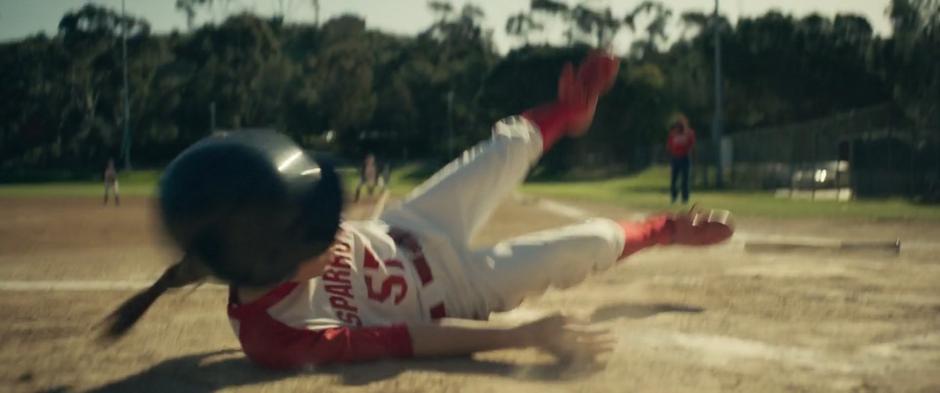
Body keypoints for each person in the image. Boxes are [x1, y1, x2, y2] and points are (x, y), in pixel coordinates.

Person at [102, 52, 733, 369]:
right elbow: (410, 338)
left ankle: (570, 114)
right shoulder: (276, 336)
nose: (332, 220)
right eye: (315, 225)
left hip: (414, 224)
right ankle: (663, 229)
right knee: (589, 242)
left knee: (506, 145)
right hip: (456, 293)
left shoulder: (259, 241)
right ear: (268, 254)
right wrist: (524, 333)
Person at [666, 115, 695, 204]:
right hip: (675, 158)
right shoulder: (673, 134)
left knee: (685, 179)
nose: (679, 127)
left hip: (685, 158)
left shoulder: (689, 133)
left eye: (681, 125)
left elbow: (691, 144)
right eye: (678, 125)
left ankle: (685, 198)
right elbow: (669, 146)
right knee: (674, 179)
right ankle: (673, 197)